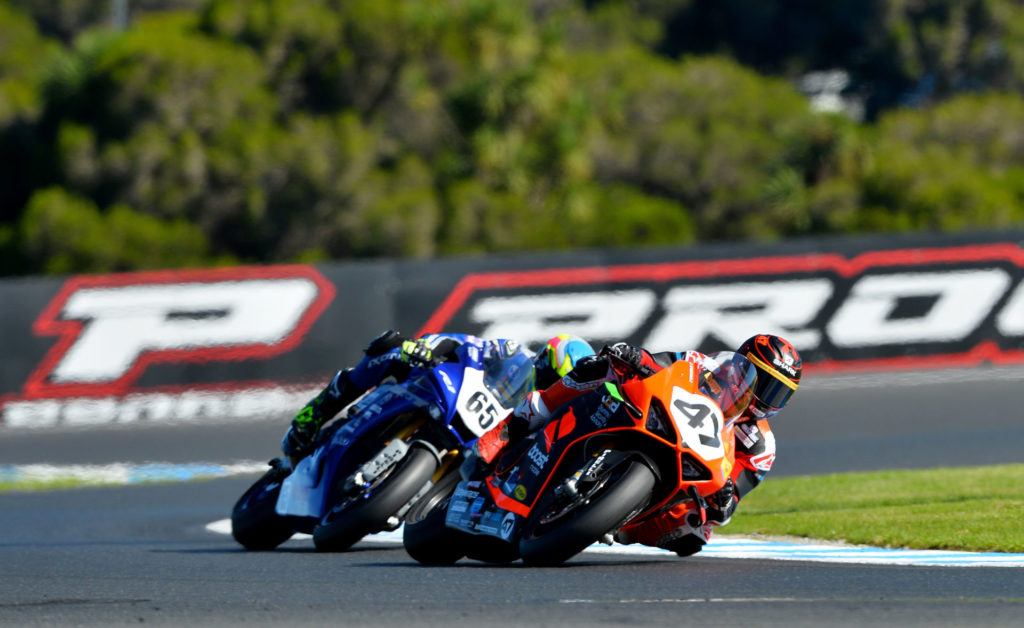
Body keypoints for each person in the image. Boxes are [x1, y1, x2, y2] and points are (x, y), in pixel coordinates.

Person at [470, 333, 802, 557]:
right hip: (657, 419)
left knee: (693, 534)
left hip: (694, 469)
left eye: (778, 392)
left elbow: (729, 503)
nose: (766, 397)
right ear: (743, 366)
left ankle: (615, 520)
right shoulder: (707, 366)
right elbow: (661, 362)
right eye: (764, 383)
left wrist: (725, 500)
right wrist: (635, 357)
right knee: (601, 368)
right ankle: (519, 421)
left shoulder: (762, 447)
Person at [281, 330, 595, 461]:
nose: (552, 387)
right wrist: (426, 347)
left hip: (479, 438)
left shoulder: (546, 411)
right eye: (552, 378)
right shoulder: (514, 354)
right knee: (389, 348)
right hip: (449, 392)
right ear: (544, 360)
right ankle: (312, 416)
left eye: (560, 386)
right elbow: (469, 344)